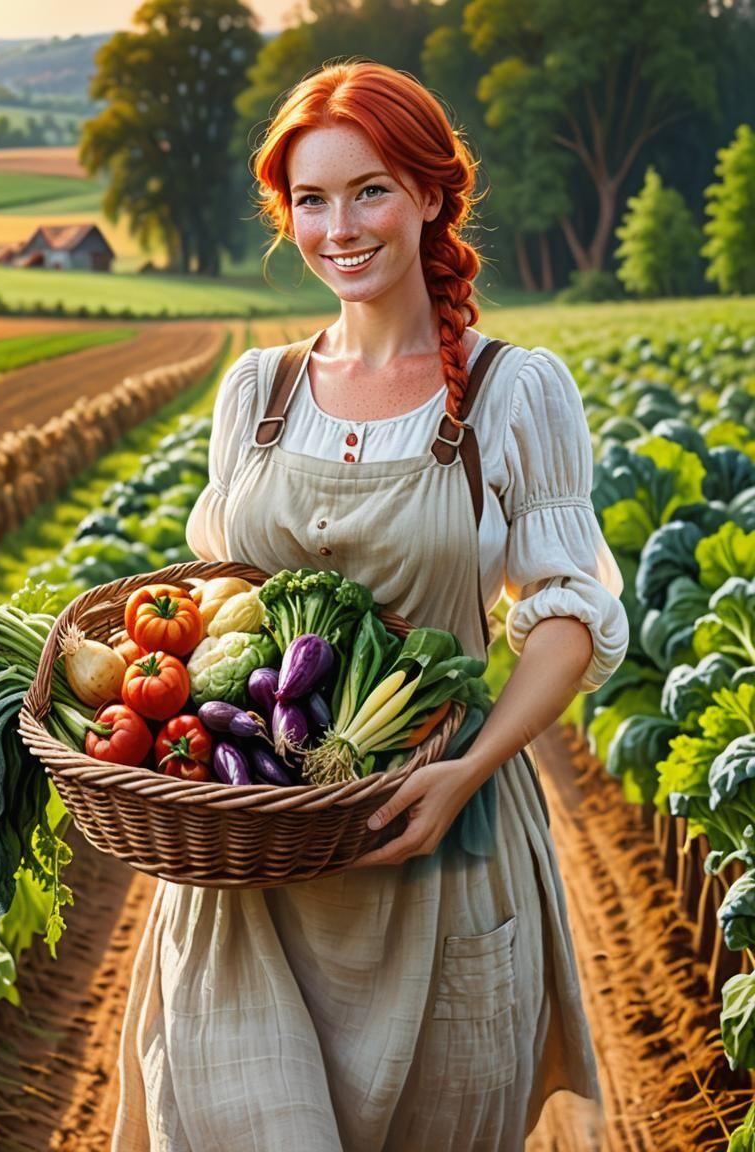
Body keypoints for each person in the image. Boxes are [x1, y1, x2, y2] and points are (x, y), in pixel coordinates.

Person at [112, 58, 629, 1152]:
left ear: (432, 196)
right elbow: (217, 610)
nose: (337, 227)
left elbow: (570, 614)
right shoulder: (253, 391)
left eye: (368, 190)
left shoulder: (511, 391)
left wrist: (464, 772)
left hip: (433, 847)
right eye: (309, 199)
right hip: (247, 871)